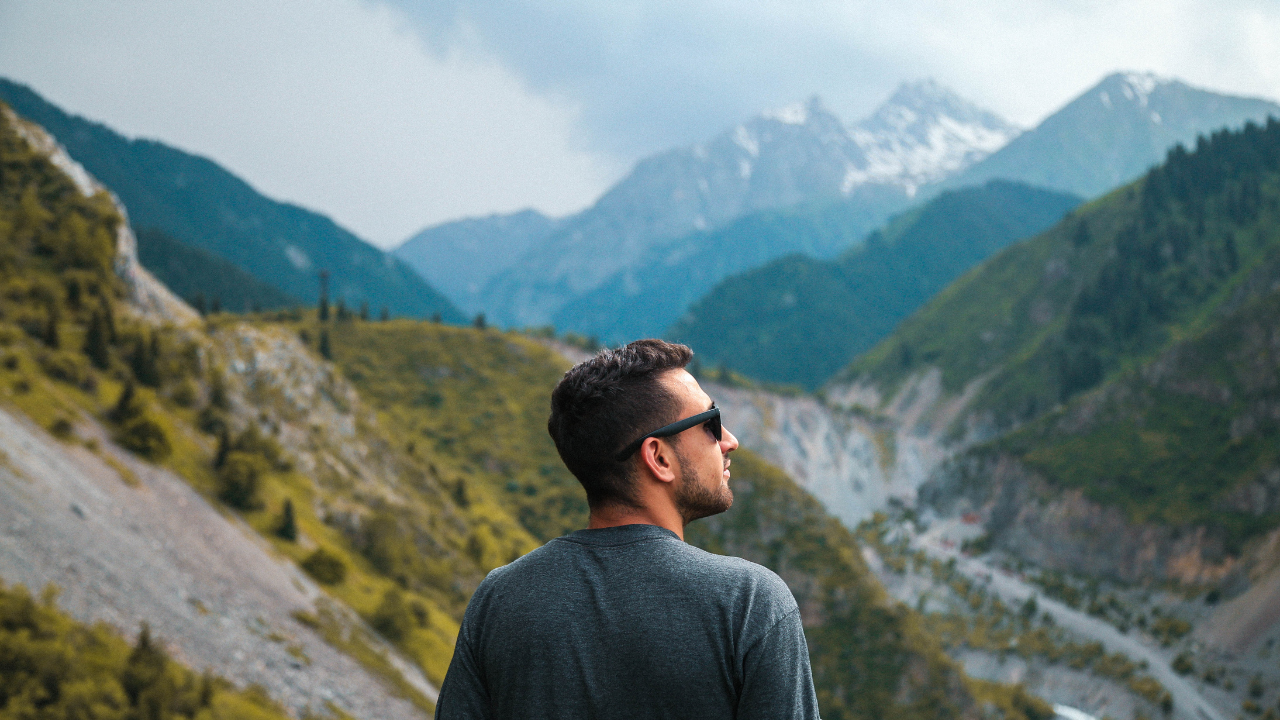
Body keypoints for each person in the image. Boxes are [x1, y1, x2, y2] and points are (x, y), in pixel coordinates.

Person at [434, 339, 820, 719]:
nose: (730, 441)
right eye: (711, 423)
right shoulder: (748, 602)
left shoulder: (499, 600)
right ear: (658, 457)